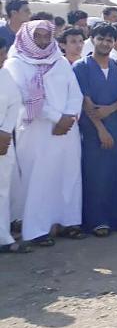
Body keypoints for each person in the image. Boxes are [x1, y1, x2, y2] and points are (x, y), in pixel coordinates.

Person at [7, 20, 84, 245]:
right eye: (37, 36)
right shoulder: (17, 63)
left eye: (45, 36)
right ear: (28, 37)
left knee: (68, 176)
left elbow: (75, 92)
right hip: (36, 132)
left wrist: (69, 116)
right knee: (39, 180)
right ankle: (37, 229)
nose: (42, 41)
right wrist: (56, 118)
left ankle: (68, 222)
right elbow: (25, 97)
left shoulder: (59, 61)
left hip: (67, 130)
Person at [73, 25, 117, 236]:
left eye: (109, 40)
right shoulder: (81, 67)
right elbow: (86, 101)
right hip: (93, 130)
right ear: (92, 39)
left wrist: (110, 109)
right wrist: (101, 129)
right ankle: (97, 221)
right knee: (96, 174)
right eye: (101, 39)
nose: (105, 43)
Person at [0, 36, 27, 252]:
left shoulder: (5, 74)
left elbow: (14, 103)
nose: (1, 58)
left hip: (3, 141)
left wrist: (5, 131)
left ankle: (4, 237)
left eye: (2, 54)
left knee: (2, 190)